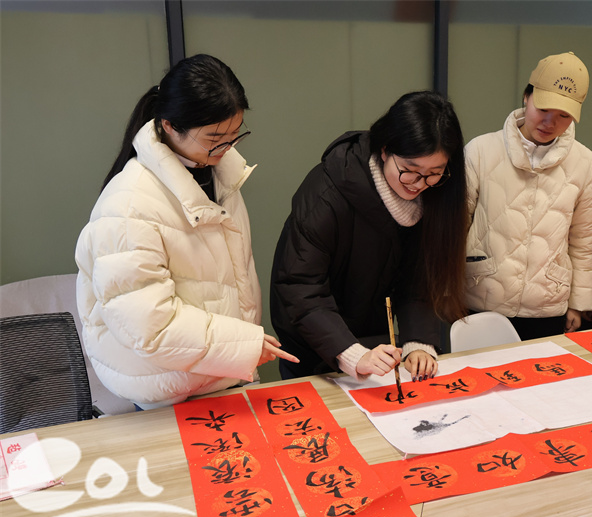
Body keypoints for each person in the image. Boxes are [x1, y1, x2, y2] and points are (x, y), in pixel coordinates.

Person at [75, 54, 297, 410]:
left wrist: (239, 352)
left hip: (221, 374)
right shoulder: (128, 205)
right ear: (169, 126)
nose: (226, 148)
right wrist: (242, 344)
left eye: (235, 135)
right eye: (214, 138)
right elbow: (149, 325)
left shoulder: (220, 175)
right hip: (168, 388)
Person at [271, 91, 468, 381]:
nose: (419, 184)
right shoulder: (326, 194)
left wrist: (418, 343)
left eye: (434, 173)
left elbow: (420, 278)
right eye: (410, 170)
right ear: (385, 150)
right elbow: (300, 286)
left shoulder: (435, 195)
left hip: (376, 345)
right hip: (315, 345)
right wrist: (351, 353)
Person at [463, 51, 592, 340]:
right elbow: (455, 228)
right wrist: (446, 291)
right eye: (543, 109)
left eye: (564, 115)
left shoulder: (585, 163)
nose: (550, 122)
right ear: (527, 97)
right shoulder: (480, 151)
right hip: (480, 295)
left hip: (547, 304)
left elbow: (584, 242)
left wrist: (578, 303)